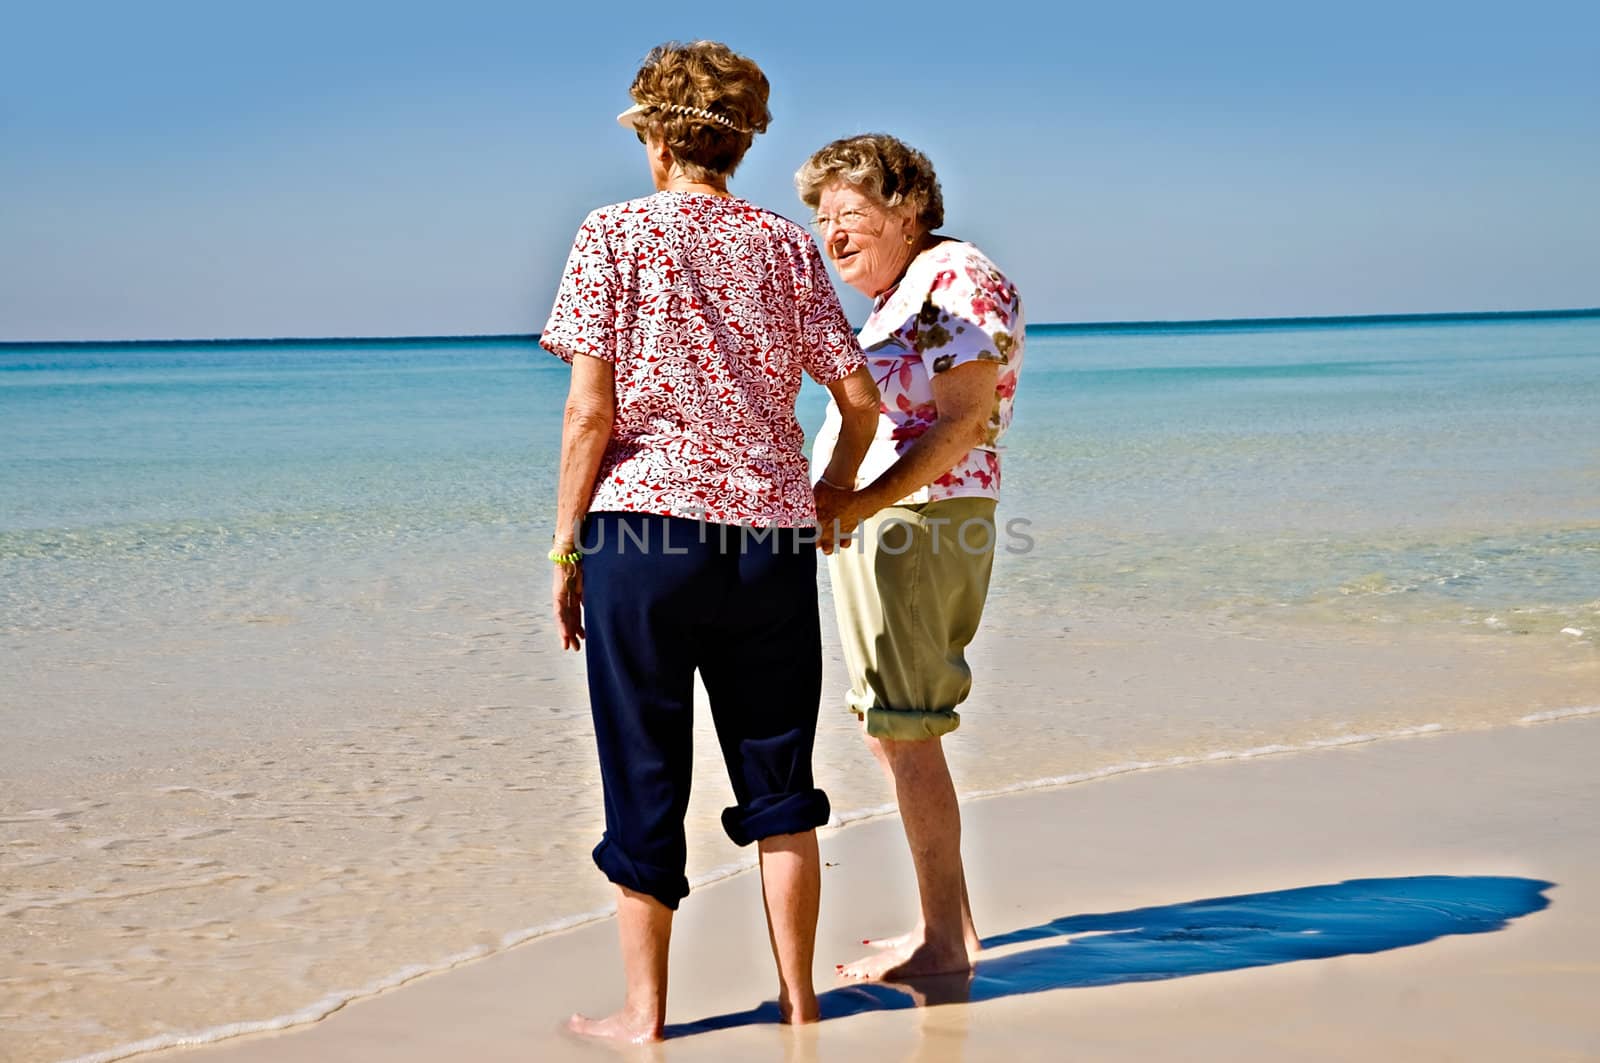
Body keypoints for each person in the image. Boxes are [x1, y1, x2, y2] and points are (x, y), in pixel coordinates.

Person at [540, 42, 880, 1042]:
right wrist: (825, 494)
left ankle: (645, 1016)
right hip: (770, 540)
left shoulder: (614, 232)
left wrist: (565, 550)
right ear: (739, 143)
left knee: (646, 770)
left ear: (654, 138)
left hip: (644, 537)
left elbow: (587, 417)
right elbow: (855, 400)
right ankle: (801, 998)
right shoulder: (782, 243)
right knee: (778, 777)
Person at [796, 134, 1026, 981]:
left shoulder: (955, 277)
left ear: (909, 207)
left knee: (906, 727)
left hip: (923, 520)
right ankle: (951, 926)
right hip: (899, 519)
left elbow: (965, 420)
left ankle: (941, 941)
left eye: (850, 214)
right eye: (821, 218)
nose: (832, 233)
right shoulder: (902, 293)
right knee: (891, 725)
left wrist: (855, 503)